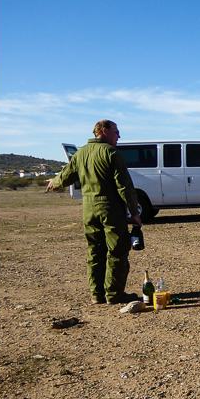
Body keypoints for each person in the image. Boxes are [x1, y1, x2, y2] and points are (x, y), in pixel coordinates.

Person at [45, 119, 141, 305]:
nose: (119, 135)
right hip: (110, 208)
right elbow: (124, 186)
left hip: (89, 209)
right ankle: (114, 293)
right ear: (103, 131)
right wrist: (134, 212)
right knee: (117, 250)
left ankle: (97, 294)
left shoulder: (80, 153)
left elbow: (65, 176)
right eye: (116, 131)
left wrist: (53, 183)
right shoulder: (111, 153)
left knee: (95, 251)